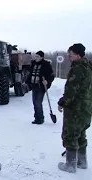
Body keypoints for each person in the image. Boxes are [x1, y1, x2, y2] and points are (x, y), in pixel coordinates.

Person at [57, 43, 92, 173]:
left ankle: (70, 166)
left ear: (77, 54)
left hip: (75, 109)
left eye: (70, 54)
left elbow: (72, 91)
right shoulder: (88, 67)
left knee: (70, 135)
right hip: (86, 108)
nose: (69, 56)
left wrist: (62, 102)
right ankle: (82, 162)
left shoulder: (78, 69)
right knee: (81, 134)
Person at [26, 51, 54, 125]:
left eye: (37, 56)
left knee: (38, 102)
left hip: (41, 87)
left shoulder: (46, 65)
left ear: (42, 57)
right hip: (34, 86)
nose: (36, 58)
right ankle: (37, 118)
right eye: (35, 56)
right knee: (34, 102)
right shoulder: (33, 64)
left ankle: (40, 118)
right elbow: (30, 74)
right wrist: (27, 82)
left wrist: (47, 81)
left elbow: (51, 75)